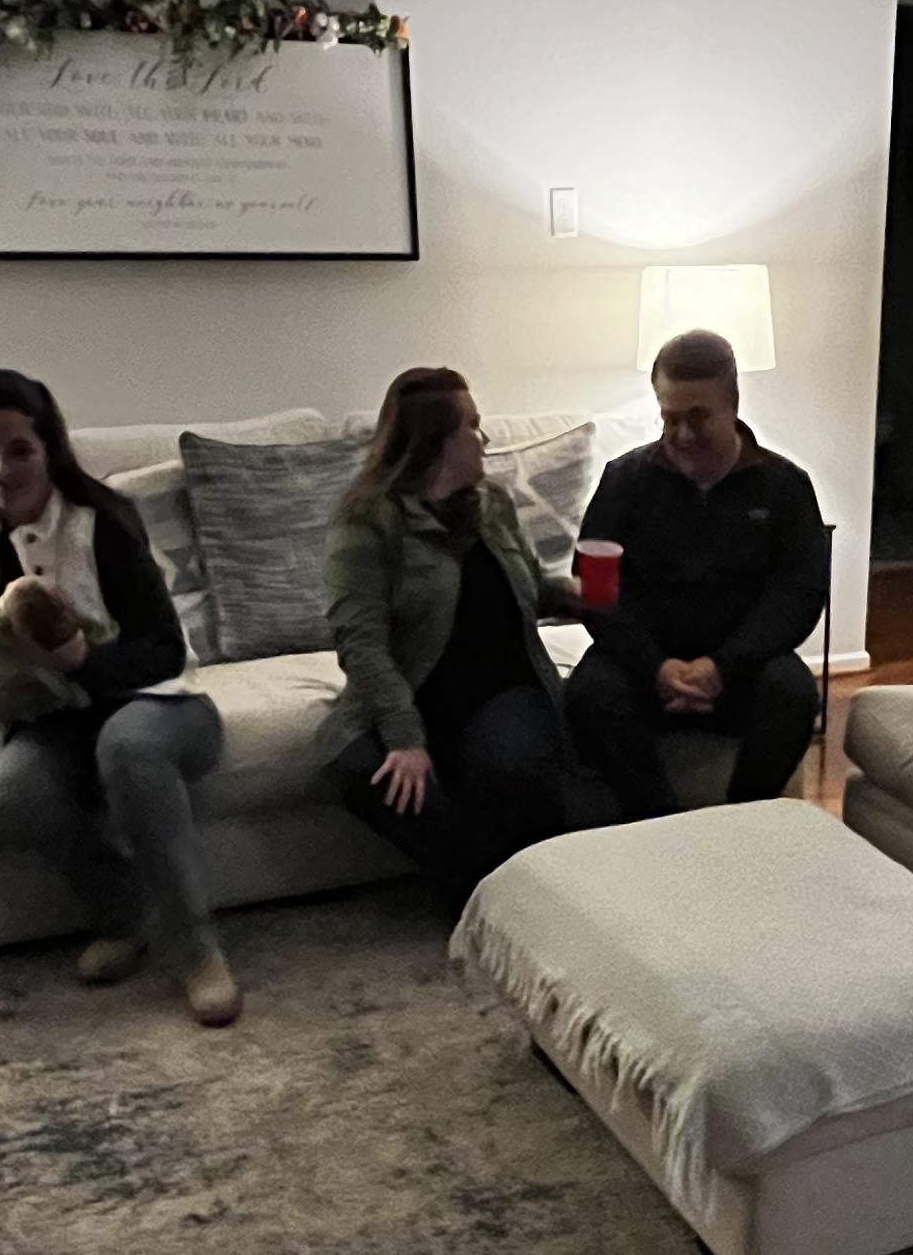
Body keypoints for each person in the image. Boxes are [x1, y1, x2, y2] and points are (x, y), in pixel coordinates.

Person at [0, 367, 238, 1027]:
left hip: (160, 702)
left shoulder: (102, 520)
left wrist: (78, 659)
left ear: (50, 448)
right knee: (16, 786)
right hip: (50, 720)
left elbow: (163, 649)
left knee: (126, 747)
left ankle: (195, 948)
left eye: (19, 449)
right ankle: (127, 915)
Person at [323, 365, 583, 915]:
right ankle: (490, 898)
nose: (483, 439)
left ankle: (506, 897)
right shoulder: (367, 521)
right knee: (358, 768)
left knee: (511, 763)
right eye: (472, 426)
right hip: (411, 695)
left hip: (503, 690)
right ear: (436, 441)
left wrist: (575, 593)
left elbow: (529, 589)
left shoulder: (493, 505)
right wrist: (404, 737)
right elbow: (360, 641)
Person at [562, 329, 829, 818]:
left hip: (741, 671)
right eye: (670, 417)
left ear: (733, 406)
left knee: (793, 693)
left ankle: (739, 821)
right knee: (589, 695)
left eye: (698, 417)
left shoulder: (786, 486)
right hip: (645, 669)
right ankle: (657, 821)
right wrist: (656, 667)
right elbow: (596, 592)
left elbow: (799, 594)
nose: (683, 434)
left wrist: (723, 666)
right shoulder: (624, 480)